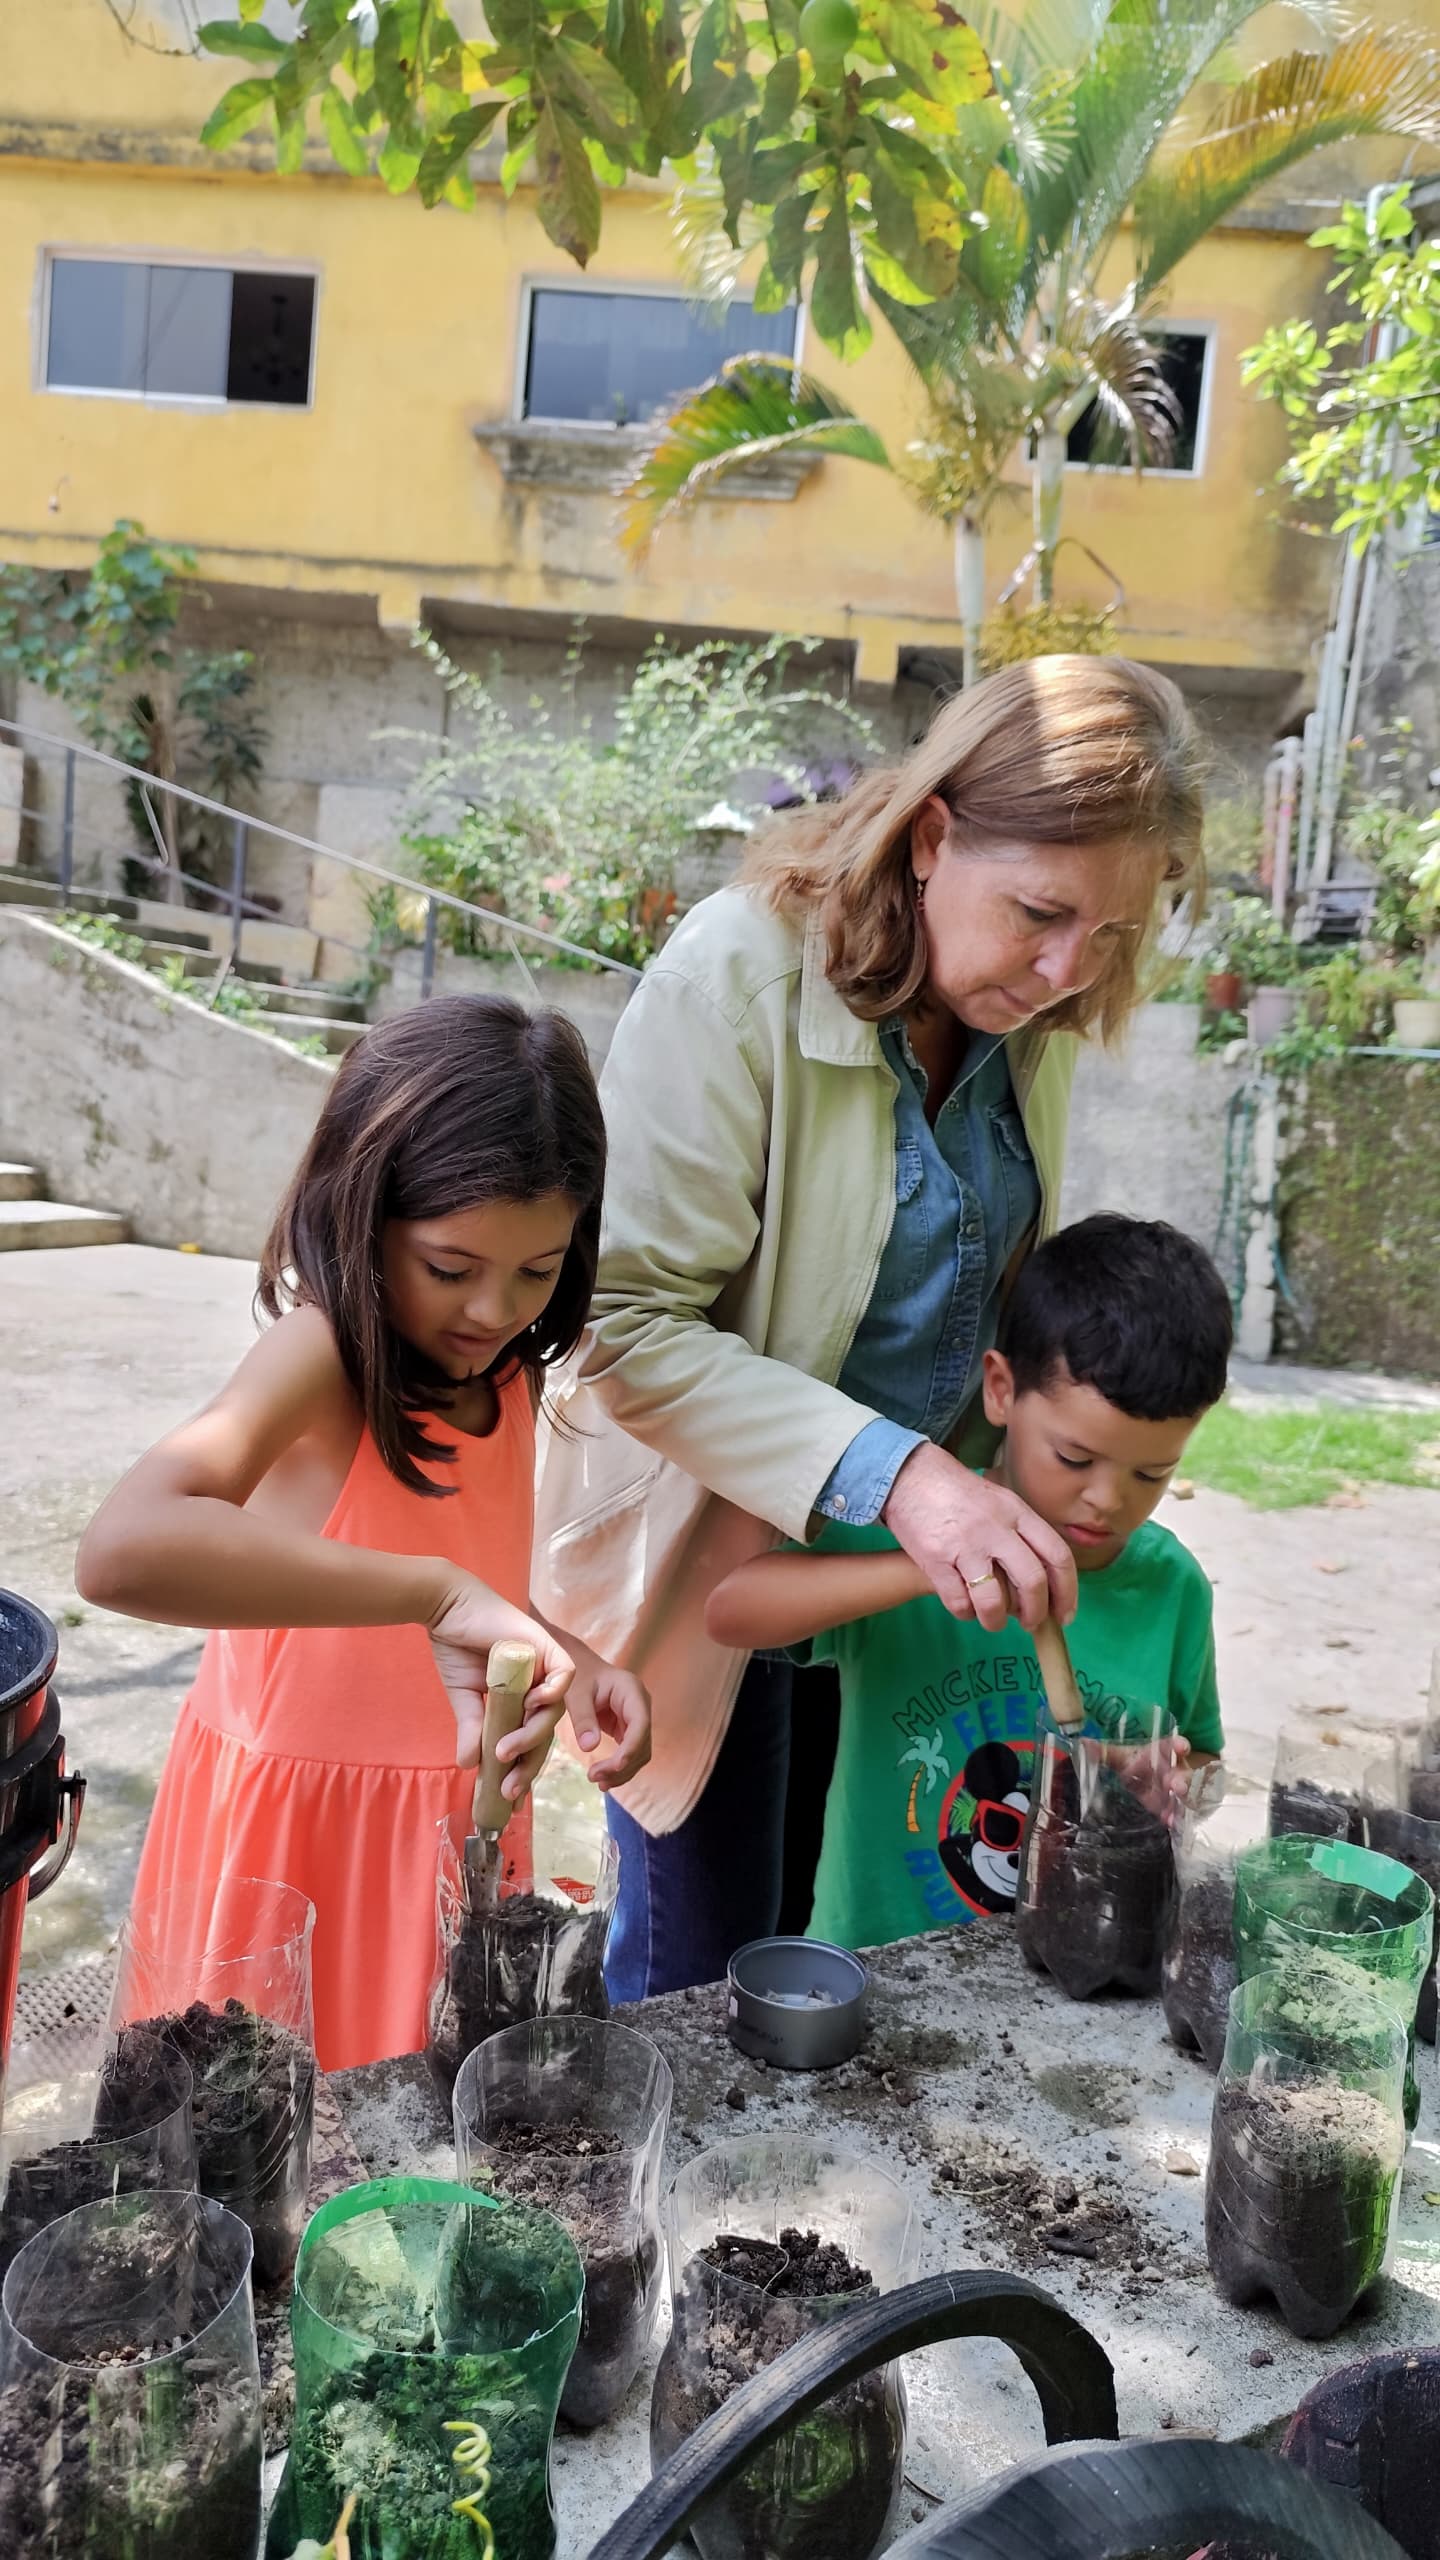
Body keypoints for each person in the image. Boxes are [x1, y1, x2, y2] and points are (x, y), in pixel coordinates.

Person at [532, 654, 1208, 2000]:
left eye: (1117, 937)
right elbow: (617, 1325)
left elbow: (992, 1313)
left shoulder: (1031, 1018)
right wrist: (901, 1478)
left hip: (897, 1597)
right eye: (1040, 913)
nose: (1072, 970)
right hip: (721, 1579)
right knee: (701, 1990)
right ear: (933, 835)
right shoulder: (734, 976)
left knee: (854, 1961)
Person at [76, 997, 650, 2072]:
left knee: (425, 2130)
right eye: (449, 1265)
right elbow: (121, 1548)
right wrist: (428, 1591)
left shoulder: (508, 1373)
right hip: (300, 1847)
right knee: (268, 2147)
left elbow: (474, 1586)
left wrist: (578, 1655)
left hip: (452, 1825)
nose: (492, 1309)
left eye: (537, 1271)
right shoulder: (322, 1353)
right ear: (364, 1207)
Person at [705, 1215, 1231, 1949]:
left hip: (1085, 1955)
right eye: (1075, 1459)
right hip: (880, 1964)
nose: (1108, 1500)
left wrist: (1163, 1779)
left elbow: (1200, 1757)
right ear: (1000, 1391)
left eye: (1152, 1473)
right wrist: (924, 1568)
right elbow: (729, 1612)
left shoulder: (1173, 1589)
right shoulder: (920, 1536)